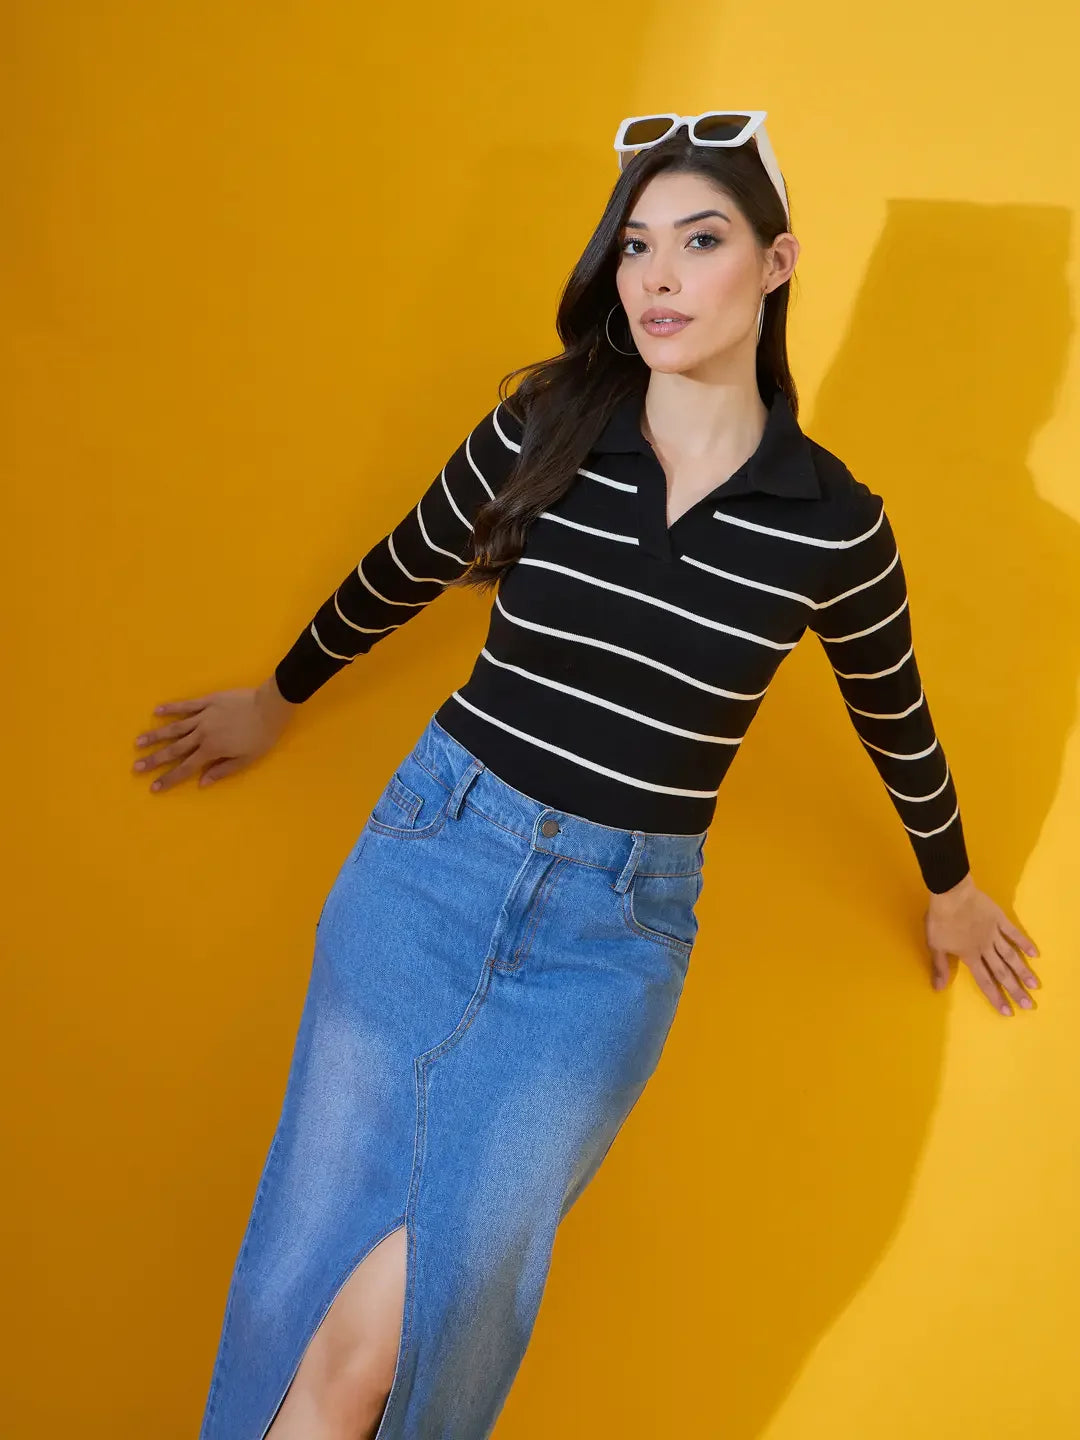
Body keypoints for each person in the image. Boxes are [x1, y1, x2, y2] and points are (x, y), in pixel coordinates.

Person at [133, 111, 1040, 1440]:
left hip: (609, 943)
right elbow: (405, 565)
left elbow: (891, 708)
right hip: (430, 863)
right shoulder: (549, 426)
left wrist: (950, 884)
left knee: (431, 1309)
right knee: (304, 1278)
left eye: (701, 241)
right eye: (636, 246)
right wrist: (275, 701)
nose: (658, 276)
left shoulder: (834, 523)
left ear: (777, 266)